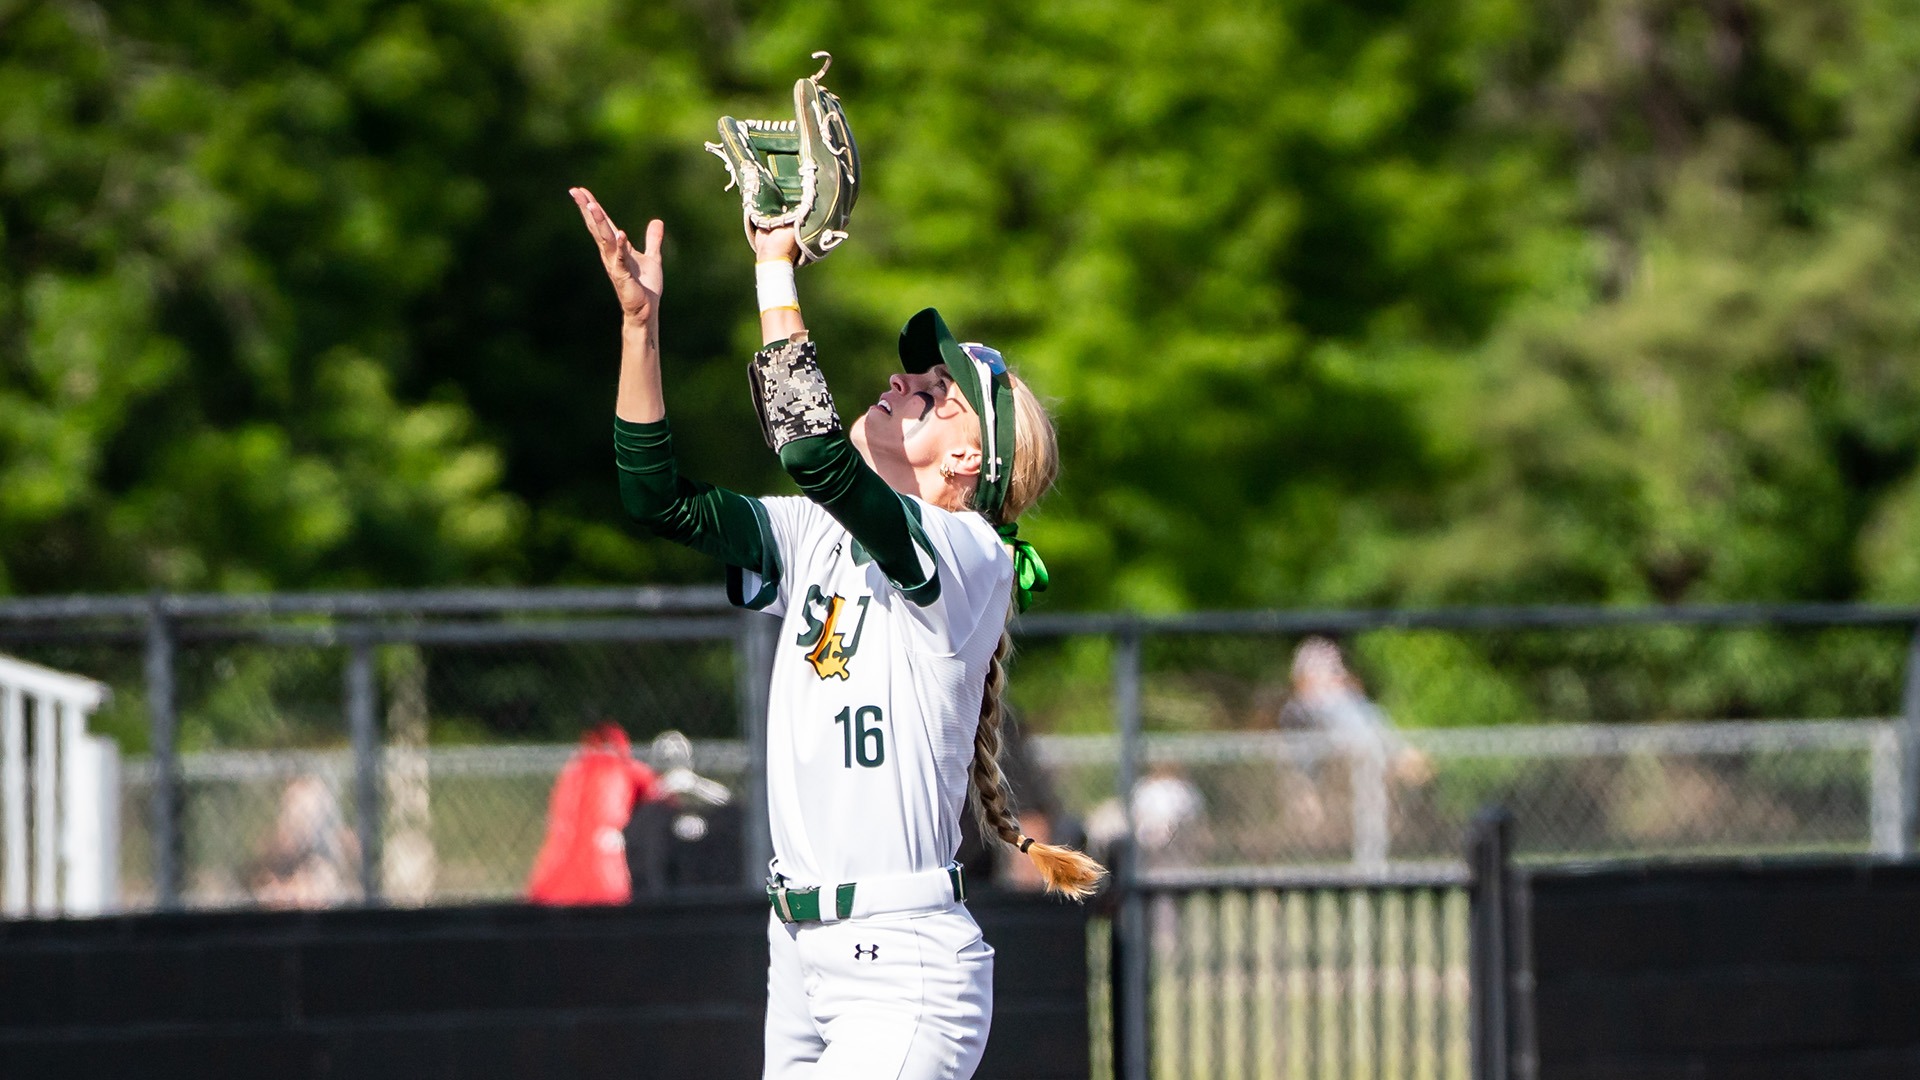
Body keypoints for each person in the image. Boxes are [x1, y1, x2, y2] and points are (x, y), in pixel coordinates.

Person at [570, 185, 1104, 1079]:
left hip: (901, 966)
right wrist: (638, 327)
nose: (902, 383)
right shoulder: (821, 535)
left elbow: (812, 448)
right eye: (915, 376)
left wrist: (773, 265)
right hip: (803, 954)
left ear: (967, 460)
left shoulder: (970, 553)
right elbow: (655, 498)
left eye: (936, 395)